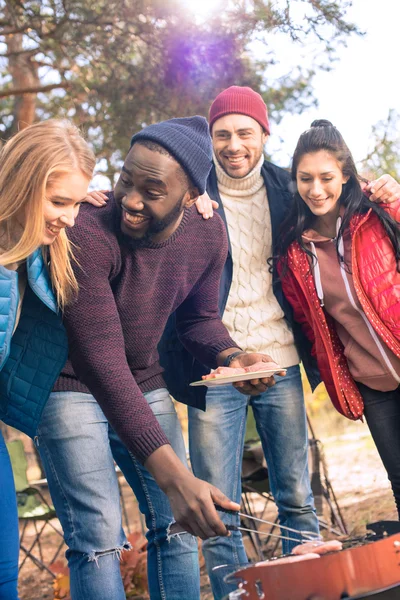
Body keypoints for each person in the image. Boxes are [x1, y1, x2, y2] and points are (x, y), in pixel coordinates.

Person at [156, 87, 400, 600]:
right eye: (222, 134)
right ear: (210, 140)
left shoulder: (288, 193)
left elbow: (337, 206)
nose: (234, 144)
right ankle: (232, 595)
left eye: (245, 132)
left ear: (265, 135)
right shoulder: (192, 195)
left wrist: (387, 192)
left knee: (295, 494)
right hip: (215, 364)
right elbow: (139, 203)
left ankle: (311, 590)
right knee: (221, 505)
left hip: (281, 361)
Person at [39, 116, 276, 600]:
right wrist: (177, 478)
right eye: (126, 178)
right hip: (68, 384)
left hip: (143, 378)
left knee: (177, 526)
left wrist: (234, 355)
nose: (129, 198)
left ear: (190, 195)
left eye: (152, 190)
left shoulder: (209, 235)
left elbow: (198, 320)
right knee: (100, 537)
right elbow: (100, 360)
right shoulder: (86, 228)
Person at [275, 119, 400, 516]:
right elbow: (312, 327)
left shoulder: (380, 213)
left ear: (345, 174)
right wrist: (340, 378)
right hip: (373, 385)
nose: (316, 189)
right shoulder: (294, 252)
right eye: (305, 178)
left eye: (326, 177)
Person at [0, 119, 96, 600]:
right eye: (60, 202)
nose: (70, 218)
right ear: (21, 185)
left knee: (4, 577)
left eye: (77, 203)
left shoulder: (36, 258)